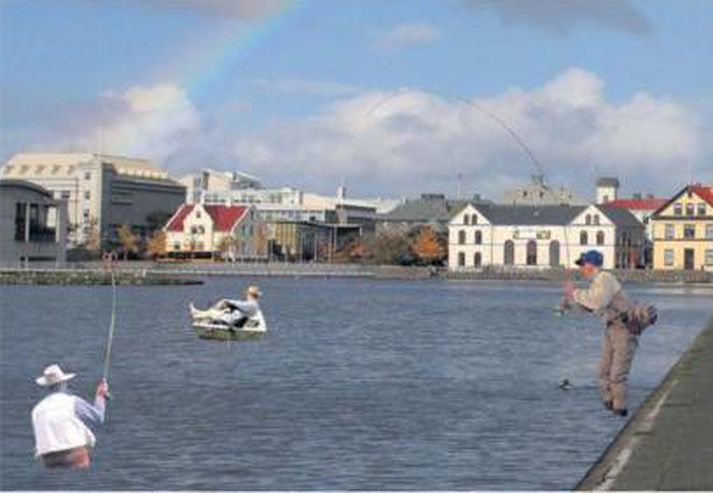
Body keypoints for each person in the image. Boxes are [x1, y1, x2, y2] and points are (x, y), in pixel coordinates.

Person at [563, 250, 637, 417]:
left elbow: (598, 301)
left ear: (590, 265)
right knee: (602, 372)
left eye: (582, 265)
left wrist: (574, 293)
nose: (581, 268)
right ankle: (610, 404)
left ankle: (620, 410)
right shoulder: (597, 283)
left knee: (617, 373)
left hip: (624, 329)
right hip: (611, 329)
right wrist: (569, 304)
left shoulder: (605, 279)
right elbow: (589, 306)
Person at [31, 364, 109, 469]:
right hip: (73, 455)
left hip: (47, 461)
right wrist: (100, 396)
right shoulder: (72, 401)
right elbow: (98, 418)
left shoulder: (37, 410)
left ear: (47, 386)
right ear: (64, 383)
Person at [190, 285, 262, 327]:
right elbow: (240, 306)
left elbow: (236, 303)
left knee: (212, 312)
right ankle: (198, 313)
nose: (245, 294)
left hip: (229, 321)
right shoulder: (254, 304)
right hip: (234, 319)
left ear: (250, 294)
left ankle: (196, 315)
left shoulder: (249, 304)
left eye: (247, 293)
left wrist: (227, 302)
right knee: (223, 309)